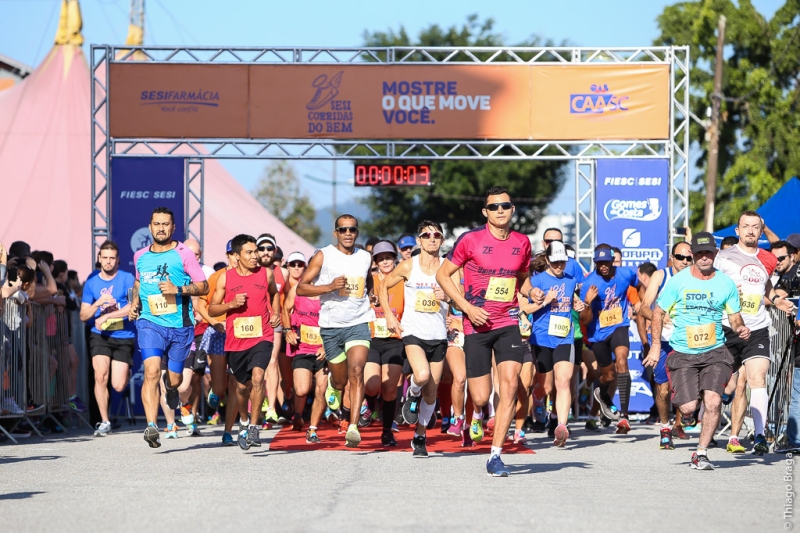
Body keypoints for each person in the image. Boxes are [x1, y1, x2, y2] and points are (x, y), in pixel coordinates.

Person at [436, 186, 532, 477]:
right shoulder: (471, 240)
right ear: (485, 212)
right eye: (494, 207)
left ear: (512, 209)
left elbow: (522, 280)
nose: (500, 211)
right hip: (476, 324)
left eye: (505, 205)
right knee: (480, 396)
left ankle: (495, 454)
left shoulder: (523, 242)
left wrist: (534, 292)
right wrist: (465, 307)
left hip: (508, 323)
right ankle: (477, 413)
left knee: (511, 385)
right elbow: (443, 274)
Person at [647, 232, 750, 470]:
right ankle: (690, 411)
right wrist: (654, 346)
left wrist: (740, 327)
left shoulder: (725, 283)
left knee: (713, 402)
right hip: (683, 352)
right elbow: (657, 312)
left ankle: (701, 452)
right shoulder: (678, 280)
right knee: (688, 407)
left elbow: (734, 316)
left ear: (715, 254)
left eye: (709, 253)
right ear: (693, 255)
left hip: (715, 351)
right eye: (700, 253)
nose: (704, 258)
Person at [128, 207, 208, 449]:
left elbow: (203, 286)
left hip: (179, 325)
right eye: (156, 224)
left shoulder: (184, 254)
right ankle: (152, 426)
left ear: (173, 228)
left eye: (166, 224)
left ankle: (171, 389)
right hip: (149, 322)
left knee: (174, 380)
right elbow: (139, 281)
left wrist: (178, 290)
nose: (161, 228)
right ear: (150, 227)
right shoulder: (140, 255)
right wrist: (134, 302)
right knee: (151, 371)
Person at [714, 211, 793, 455]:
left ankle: (760, 436)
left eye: (755, 227)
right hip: (728, 327)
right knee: (728, 387)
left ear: (761, 232)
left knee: (757, 379)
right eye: (745, 226)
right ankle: (720, 399)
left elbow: (765, 285)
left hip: (757, 327)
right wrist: (724, 291)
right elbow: (708, 285)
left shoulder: (768, 259)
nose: (750, 230)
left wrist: (775, 300)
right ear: (737, 231)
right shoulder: (722, 257)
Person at [297, 214, 375, 448]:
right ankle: (334, 385)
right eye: (343, 230)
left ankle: (353, 427)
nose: (348, 233)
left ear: (357, 233)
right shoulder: (324, 255)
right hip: (331, 327)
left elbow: (368, 279)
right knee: (341, 383)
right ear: (336, 233)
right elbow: (301, 288)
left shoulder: (365, 257)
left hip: (359, 323)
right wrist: (329, 287)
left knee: (358, 371)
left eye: (352, 229)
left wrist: (370, 294)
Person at [380, 222, 452, 457]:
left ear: (442, 240)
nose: (432, 239)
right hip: (413, 333)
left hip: (438, 335)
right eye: (426, 235)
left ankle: (419, 435)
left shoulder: (448, 268)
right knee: (421, 375)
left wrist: (449, 297)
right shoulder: (408, 266)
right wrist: (390, 315)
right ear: (419, 241)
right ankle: (411, 393)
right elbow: (383, 285)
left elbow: (462, 295)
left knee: (431, 394)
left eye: (436, 235)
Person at [208, 234, 280, 450]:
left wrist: (275, 313)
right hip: (237, 340)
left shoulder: (266, 274)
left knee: (258, 377)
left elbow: (275, 294)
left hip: (263, 335)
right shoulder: (225, 278)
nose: (255, 256)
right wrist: (230, 304)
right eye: (249, 252)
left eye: (256, 251)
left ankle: (255, 427)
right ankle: (244, 421)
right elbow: (212, 308)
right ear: (237, 256)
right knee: (240, 388)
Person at [520, 241, 584, 447]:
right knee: (546, 387)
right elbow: (525, 309)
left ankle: (561, 426)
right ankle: (538, 399)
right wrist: (545, 301)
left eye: (562, 262)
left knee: (564, 381)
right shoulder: (536, 281)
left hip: (564, 337)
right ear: (547, 260)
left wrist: (579, 304)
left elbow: (573, 300)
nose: (559, 266)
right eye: (555, 262)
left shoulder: (571, 280)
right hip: (541, 338)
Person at [639, 241, 695, 449]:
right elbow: (644, 307)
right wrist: (660, 317)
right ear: (672, 257)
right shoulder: (661, 276)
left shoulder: (698, 277)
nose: (684, 262)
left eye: (689, 258)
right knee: (663, 389)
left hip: (689, 340)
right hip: (664, 340)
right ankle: (665, 427)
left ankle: (683, 418)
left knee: (687, 384)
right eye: (680, 257)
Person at [579, 245, 638, 434]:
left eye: (606, 262)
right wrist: (588, 302)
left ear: (613, 261)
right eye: (599, 263)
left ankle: (625, 416)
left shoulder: (625, 274)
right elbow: (585, 320)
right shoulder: (590, 283)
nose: (603, 266)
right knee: (608, 376)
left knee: (622, 362)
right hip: (598, 334)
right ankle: (601, 395)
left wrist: (640, 306)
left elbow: (641, 286)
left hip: (619, 326)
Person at [79, 240, 135, 436]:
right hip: (100, 336)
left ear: (118, 260)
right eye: (105, 258)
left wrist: (107, 315)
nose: (109, 261)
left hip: (124, 335)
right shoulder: (92, 283)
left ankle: (124, 372)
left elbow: (133, 307)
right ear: (99, 259)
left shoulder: (128, 279)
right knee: (100, 376)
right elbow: (83, 315)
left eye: (112, 258)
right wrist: (98, 304)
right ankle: (104, 420)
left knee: (118, 385)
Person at [195, 241, 239, 445]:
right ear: (228, 255)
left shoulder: (253, 276)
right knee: (221, 388)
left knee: (237, 383)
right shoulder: (217, 276)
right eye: (232, 254)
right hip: (219, 332)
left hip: (242, 333)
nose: (237, 258)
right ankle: (215, 391)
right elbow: (201, 304)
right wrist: (213, 322)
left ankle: (229, 431)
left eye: (240, 253)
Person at [361, 240, 404, 446]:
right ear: (375, 261)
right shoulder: (368, 281)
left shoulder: (404, 281)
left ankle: (387, 431)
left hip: (395, 341)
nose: (385, 261)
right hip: (372, 339)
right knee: (372, 385)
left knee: (389, 388)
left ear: (395, 259)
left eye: (388, 257)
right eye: (381, 258)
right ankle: (369, 402)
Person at [282, 254, 328, 444]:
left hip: (323, 349)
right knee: (301, 390)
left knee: (321, 389)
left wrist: (327, 345)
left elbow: (338, 321)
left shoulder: (329, 293)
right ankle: (299, 413)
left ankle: (313, 429)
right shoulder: (297, 290)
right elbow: (285, 309)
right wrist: (287, 330)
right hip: (302, 348)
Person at [256, 233, 289, 425]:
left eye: (269, 249)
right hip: (254, 322)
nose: (266, 252)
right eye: (262, 248)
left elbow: (292, 297)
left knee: (273, 361)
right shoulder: (252, 270)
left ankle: (271, 408)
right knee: (257, 365)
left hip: (275, 322)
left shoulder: (283, 273)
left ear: (275, 251)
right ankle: (258, 403)